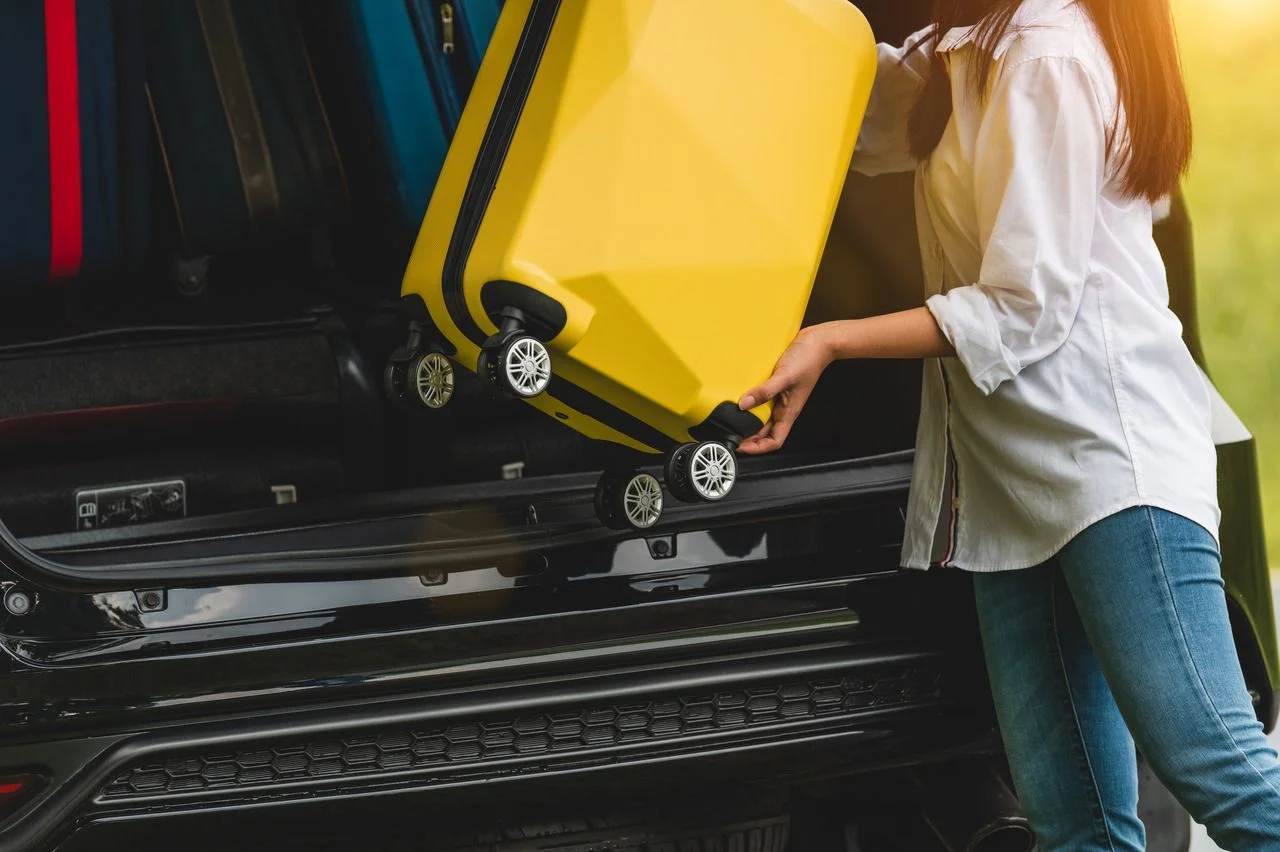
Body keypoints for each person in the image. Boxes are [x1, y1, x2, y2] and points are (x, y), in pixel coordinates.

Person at [736, 0, 1280, 847]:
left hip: (1109, 471)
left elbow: (1025, 307)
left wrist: (834, 340)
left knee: (1221, 769)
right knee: (1077, 824)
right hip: (1013, 490)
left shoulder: (1047, 54)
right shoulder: (966, 49)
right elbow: (858, 118)